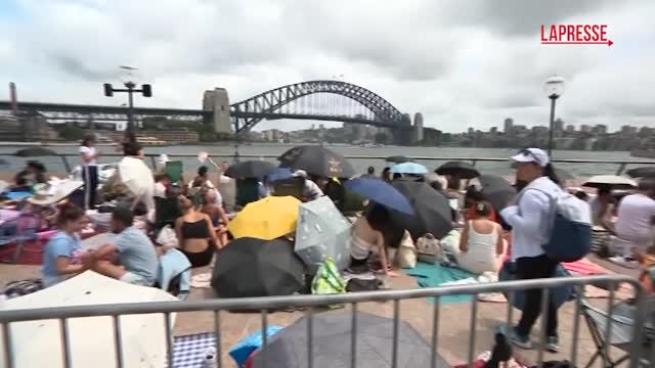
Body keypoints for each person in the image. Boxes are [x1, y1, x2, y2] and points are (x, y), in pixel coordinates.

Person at [499, 148, 563, 352]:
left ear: (537, 167)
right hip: (549, 249)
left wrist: (509, 214)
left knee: (534, 293)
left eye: (523, 165)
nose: (518, 168)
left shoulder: (532, 194)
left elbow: (531, 227)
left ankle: (522, 333)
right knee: (545, 292)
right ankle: (551, 334)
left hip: (531, 251)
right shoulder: (553, 188)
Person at [89, 207, 158, 286]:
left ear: (117, 222)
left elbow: (98, 254)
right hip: (148, 277)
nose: (109, 222)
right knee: (109, 261)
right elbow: (113, 257)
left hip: (142, 280)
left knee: (99, 264)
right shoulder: (134, 232)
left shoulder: (127, 236)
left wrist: (90, 256)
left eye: (111, 220)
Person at [42, 204, 89, 287]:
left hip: (68, 277)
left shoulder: (75, 235)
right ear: (68, 222)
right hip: (56, 281)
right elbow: (62, 269)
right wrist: (87, 267)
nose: (85, 226)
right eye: (81, 223)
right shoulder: (61, 242)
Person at [349, 204, 400, 276]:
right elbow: (382, 254)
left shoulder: (361, 219)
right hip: (360, 259)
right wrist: (386, 272)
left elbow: (351, 231)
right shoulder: (378, 233)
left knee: (360, 242)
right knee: (375, 249)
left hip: (350, 254)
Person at [612, 179, 655, 263]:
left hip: (620, 231)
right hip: (639, 236)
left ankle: (628, 255)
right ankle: (642, 257)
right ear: (651, 190)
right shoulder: (651, 203)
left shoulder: (626, 198)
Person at [456, 201, 504, 274]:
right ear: (490, 212)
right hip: (491, 267)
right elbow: (500, 251)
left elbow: (462, 247)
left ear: (474, 211)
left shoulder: (469, 224)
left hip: (469, 265)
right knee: (505, 243)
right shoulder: (498, 227)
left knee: (452, 239)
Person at [176, 190, 220, 267]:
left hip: (190, 258)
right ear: (193, 206)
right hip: (205, 257)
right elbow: (214, 238)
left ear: (181, 209)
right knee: (209, 239)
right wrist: (221, 251)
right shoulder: (205, 217)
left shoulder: (180, 221)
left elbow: (181, 243)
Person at [80, 134, 99, 210]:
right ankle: (86, 205)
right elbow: (86, 159)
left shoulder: (92, 148)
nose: (92, 143)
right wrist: (95, 155)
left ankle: (92, 204)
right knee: (88, 187)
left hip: (94, 167)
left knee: (94, 185)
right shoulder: (83, 148)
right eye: (91, 141)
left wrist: (97, 155)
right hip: (87, 168)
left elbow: (94, 159)